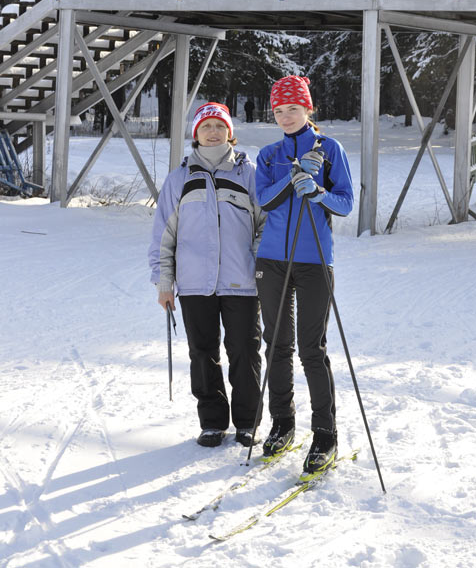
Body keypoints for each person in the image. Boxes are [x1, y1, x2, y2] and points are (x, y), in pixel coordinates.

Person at [148, 102, 265, 448]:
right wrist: (164, 282)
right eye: (206, 126)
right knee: (202, 352)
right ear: (195, 133)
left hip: (241, 282)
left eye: (219, 126)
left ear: (229, 131)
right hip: (195, 283)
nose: (213, 132)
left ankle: (247, 422)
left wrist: (257, 265)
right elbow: (163, 236)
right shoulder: (179, 178)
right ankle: (212, 422)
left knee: (244, 350)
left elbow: (265, 225)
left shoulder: (249, 174)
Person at [255, 75, 354, 475]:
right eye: (279, 111)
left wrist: (317, 191)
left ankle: (325, 434)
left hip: (315, 260)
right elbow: (264, 199)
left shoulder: (331, 149)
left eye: (293, 109)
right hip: (273, 260)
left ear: (308, 110)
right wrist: (294, 174)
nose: (285, 117)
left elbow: (346, 204)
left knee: (312, 349)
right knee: (277, 345)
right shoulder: (269, 154)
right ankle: (282, 423)